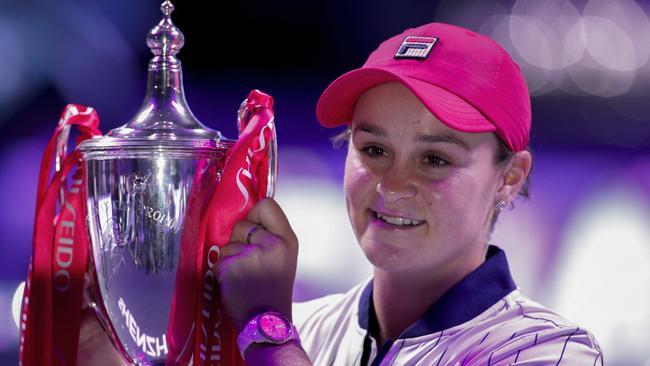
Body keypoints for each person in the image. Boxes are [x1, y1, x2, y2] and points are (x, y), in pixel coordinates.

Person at [78, 22, 603, 365]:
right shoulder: (302, 328)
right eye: (373, 150)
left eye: (435, 159)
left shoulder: (550, 351)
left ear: (510, 177)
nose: (393, 184)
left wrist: (268, 328)